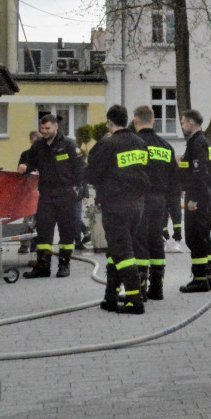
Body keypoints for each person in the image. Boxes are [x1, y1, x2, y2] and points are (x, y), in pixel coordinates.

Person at [86, 105, 149, 314]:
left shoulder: (109, 144)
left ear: (109, 123)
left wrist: (101, 144)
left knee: (123, 253)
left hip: (116, 206)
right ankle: (110, 296)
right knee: (116, 251)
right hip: (137, 206)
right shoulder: (140, 143)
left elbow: (91, 174)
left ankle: (133, 300)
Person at [18, 114, 84, 279]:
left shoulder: (68, 144)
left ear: (55, 127)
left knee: (66, 230)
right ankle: (43, 266)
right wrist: (25, 166)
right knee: (44, 230)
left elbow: (80, 167)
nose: (45, 131)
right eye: (42, 128)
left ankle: (64, 265)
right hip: (46, 193)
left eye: (48, 128)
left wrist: (80, 189)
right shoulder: (39, 145)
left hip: (66, 193)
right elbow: (31, 161)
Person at [132, 105, 177, 301]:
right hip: (161, 200)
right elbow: (175, 181)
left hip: (139, 199)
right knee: (156, 241)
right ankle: (157, 288)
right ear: (153, 121)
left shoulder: (134, 143)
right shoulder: (166, 146)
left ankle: (141, 288)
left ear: (136, 121)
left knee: (140, 241)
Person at [178, 109, 211, 293]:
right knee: (203, 236)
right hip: (202, 194)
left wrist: (193, 199)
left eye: (183, 122)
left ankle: (200, 279)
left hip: (197, 196)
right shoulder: (200, 141)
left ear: (191, 123)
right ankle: (207, 277)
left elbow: (199, 173)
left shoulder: (197, 143)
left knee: (195, 237)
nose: (182, 125)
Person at [17, 130, 41, 254]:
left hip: (41, 191)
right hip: (28, 192)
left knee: (40, 219)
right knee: (27, 218)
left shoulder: (45, 155)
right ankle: (24, 244)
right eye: (33, 142)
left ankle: (36, 243)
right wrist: (22, 168)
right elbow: (19, 173)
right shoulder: (25, 155)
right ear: (30, 142)